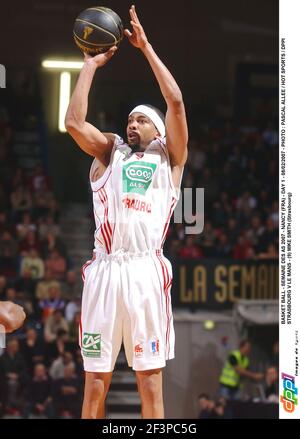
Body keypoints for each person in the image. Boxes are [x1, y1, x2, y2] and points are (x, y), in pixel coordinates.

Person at [65, 5, 188, 419]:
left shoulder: (169, 159)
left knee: (149, 384)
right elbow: (73, 122)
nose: (131, 124)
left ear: (157, 130)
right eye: (129, 119)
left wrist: (146, 47)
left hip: (144, 273)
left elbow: (175, 99)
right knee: (94, 385)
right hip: (104, 270)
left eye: (141, 120)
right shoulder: (110, 151)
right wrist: (89, 65)